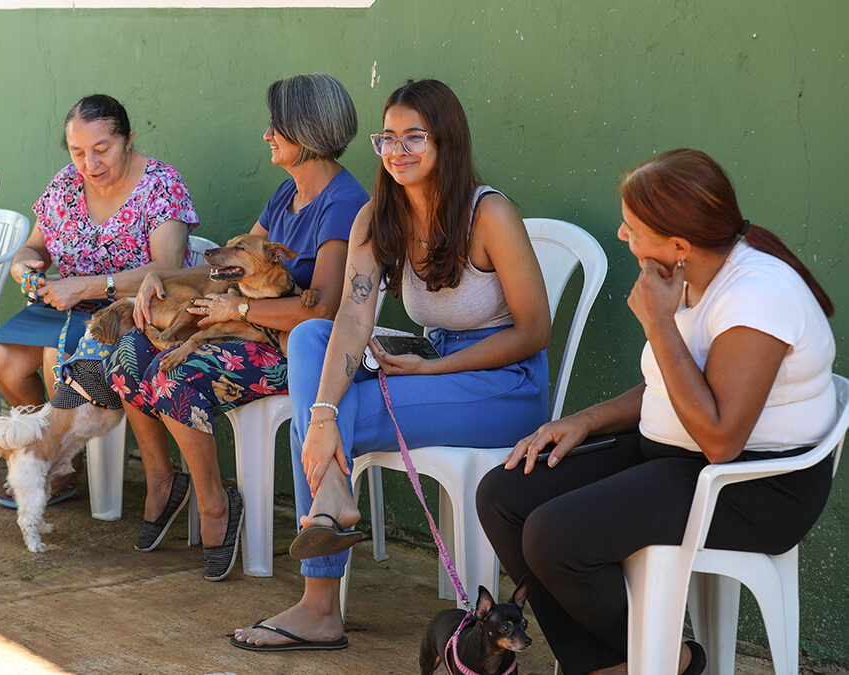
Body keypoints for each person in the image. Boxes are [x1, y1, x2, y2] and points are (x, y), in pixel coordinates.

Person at [476, 148, 837, 675]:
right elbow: (667, 388)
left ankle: (659, 659)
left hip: (751, 486)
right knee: (505, 494)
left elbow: (720, 441)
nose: (623, 236)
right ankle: (615, 663)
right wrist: (584, 420)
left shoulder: (759, 297)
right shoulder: (687, 275)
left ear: (679, 245)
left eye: (632, 228)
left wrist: (658, 324)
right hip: (673, 455)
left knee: (554, 536)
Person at [232, 78, 551, 651]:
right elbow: (352, 320)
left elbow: (534, 331)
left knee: (327, 420)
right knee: (310, 338)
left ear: (446, 141)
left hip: (503, 383)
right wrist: (325, 411)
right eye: (387, 138)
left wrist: (427, 372)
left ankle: (319, 603)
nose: (397, 150)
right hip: (431, 360)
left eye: (414, 137)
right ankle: (333, 498)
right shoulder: (380, 217)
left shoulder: (489, 213)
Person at [103, 73, 368, 581]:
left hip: (299, 352)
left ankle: (215, 504)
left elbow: (326, 310)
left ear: (307, 131)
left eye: (277, 126)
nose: (267, 135)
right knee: (129, 353)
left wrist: (237, 313)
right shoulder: (286, 194)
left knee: (176, 376)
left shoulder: (343, 204)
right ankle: (165, 482)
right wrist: (160, 276)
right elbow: (230, 267)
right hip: (247, 332)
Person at [0, 94, 196, 507]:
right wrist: (25, 267)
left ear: (128, 140)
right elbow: (32, 250)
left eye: (102, 149)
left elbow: (167, 267)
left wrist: (86, 286)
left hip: (132, 313)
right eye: (78, 152)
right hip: (67, 308)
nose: (89, 164)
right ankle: (56, 453)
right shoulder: (65, 184)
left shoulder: (161, 184)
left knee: (50, 356)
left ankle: (53, 460)